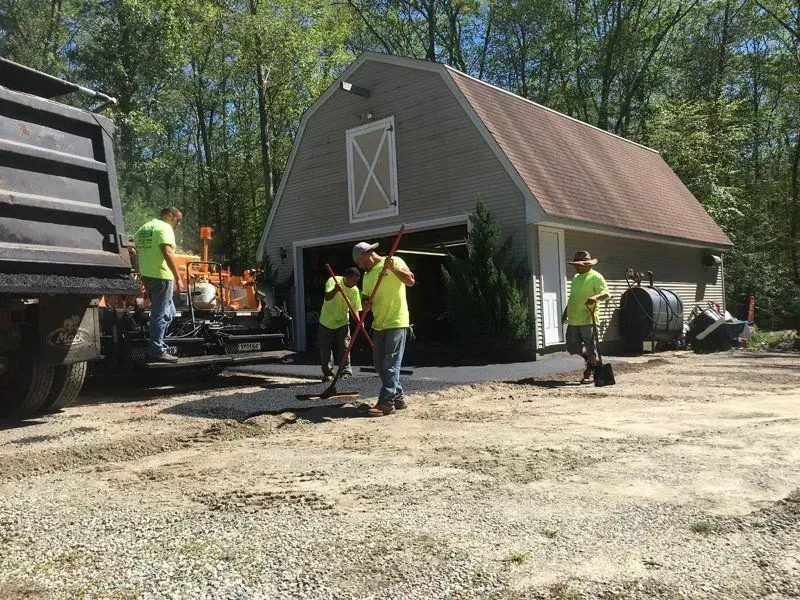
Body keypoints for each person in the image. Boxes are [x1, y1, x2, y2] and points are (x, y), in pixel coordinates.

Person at [353, 241, 415, 417]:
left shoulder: (394, 261)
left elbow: (410, 281)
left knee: (390, 365)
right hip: (379, 324)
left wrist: (393, 269)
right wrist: (365, 303)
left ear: (366, 255)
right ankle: (398, 398)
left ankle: (386, 403)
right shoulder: (367, 276)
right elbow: (366, 297)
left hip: (396, 321)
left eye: (359, 261)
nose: (358, 265)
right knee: (379, 365)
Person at [133, 207, 184, 363]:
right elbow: (167, 252)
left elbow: (132, 248)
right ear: (169, 216)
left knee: (169, 312)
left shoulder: (145, 227)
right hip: (162, 276)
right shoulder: (165, 227)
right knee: (160, 314)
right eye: (178, 219)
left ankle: (156, 339)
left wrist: (139, 269)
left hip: (148, 275)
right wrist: (178, 277)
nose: (179, 223)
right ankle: (156, 350)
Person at [561, 250, 610, 382]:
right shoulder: (576, 278)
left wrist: (595, 297)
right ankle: (592, 361)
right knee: (572, 347)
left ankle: (589, 371)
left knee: (591, 348)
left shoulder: (596, 277)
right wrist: (566, 311)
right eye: (575, 265)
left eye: (578, 265)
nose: (576, 267)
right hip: (574, 319)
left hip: (589, 318)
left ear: (587, 264)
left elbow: (606, 294)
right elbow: (573, 297)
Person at [319, 266, 362, 382]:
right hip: (326, 321)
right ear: (347, 278)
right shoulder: (333, 281)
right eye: (354, 280)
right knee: (325, 349)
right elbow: (327, 297)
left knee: (345, 346)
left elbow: (355, 309)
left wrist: (358, 321)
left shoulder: (354, 290)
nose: (355, 283)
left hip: (342, 322)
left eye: (357, 281)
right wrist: (336, 290)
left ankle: (345, 372)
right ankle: (328, 374)